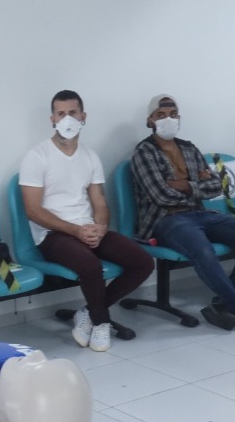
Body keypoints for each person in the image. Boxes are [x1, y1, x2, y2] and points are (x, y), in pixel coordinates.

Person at [19, 90, 153, 351]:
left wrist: (100, 227)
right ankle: (101, 322)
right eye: (61, 114)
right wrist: (75, 230)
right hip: (53, 234)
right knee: (90, 266)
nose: (67, 119)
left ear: (83, 117)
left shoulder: (90, 156)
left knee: (143, 262)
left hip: (87, 228)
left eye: (72, 113)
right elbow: (33, 211)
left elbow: (99, 202)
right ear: (52, 119)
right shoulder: (37, 156)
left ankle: (89, 312)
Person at [131, 94, 235, 330]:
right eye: (161, 115)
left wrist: (185, 185)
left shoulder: (189, 148)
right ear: (150, 121)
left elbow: (215, 186)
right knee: (202, 249)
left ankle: (223, 304)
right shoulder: (143, 153)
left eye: (173, 114)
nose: (168, 119)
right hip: (167, 220)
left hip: (201, 213)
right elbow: (161, 196)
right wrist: (197, 187)